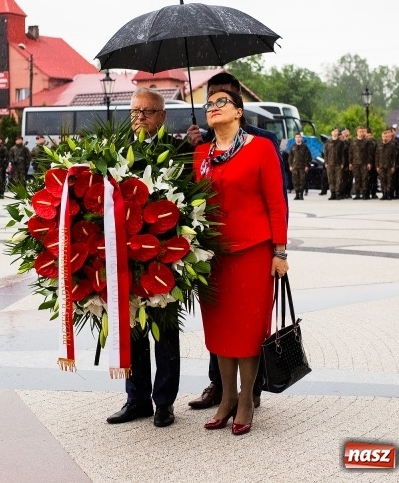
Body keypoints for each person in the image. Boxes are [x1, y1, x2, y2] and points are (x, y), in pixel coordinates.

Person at [186, 73, 285, 412]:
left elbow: (276, 204)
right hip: (212, 257)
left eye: (221, 102)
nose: (213, 107)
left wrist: (280, 252)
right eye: (209, 104)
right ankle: (226, 398)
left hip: (253, 254)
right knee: (220, 331)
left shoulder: (261, 149)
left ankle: (246, 399)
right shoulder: (200, 154)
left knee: (248, 329)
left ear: (239, 111)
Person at [106, 88, 184, 429]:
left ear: (162, 117)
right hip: (127, 261)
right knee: (133, 329)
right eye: (135, 110)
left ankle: (164, 403)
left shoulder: (176, 152)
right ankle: (136, 399)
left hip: (164, 259)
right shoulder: (116, 153)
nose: (139, 116)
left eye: (148, 111)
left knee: (165, 334)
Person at [349, 126, 372, 199]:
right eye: (360, 132)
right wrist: (350, 162)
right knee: (357, 178)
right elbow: (350, 152)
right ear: (357, 132)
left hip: (364, 163)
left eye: (362, 132)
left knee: (364, 178)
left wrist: (369, 162)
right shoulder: (353, 141)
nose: (361, 133)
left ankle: (365, 194)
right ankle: (357, 194)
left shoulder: (367, 141)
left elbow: (369, 153)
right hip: (355, 163)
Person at [375, 130, 398, 200]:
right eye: (384, 136)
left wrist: (393, 166)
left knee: (389, 180)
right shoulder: (379, 145)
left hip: (389, 166)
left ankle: (389, 194)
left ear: (389, 137)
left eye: (386, 136)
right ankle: (384, 193)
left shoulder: (392, 145)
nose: (385, 138)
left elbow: (394, 157)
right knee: (382, 180)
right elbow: (376, 156)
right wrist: (377, 166)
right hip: (381, 165)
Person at [288, 133, 311, 200]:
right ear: (295, 138)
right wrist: (290, 165)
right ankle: (297, 194)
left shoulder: (304, 147)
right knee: (295, 181)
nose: (298, 138)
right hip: (295, 167)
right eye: (296, 137)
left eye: (299, 137)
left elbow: (308, 157)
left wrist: (307, 165)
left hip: (302, 167)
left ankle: (301, 194)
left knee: (302, 181)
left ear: (301, 138)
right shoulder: (293, 147)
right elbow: (290, 157)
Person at [323, 129, 344, 199]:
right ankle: (332, 193)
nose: (335, 132)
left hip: (338, 163)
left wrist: (342, 162)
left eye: (336, 131)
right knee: (331, 179)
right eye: (334, 131)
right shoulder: (328, 142)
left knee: (338, 179)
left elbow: (342, 154)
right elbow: (325, 153)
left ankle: (338, 193)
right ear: (331, 132)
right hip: (330, 163)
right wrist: (326, 162)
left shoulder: (340, 142)